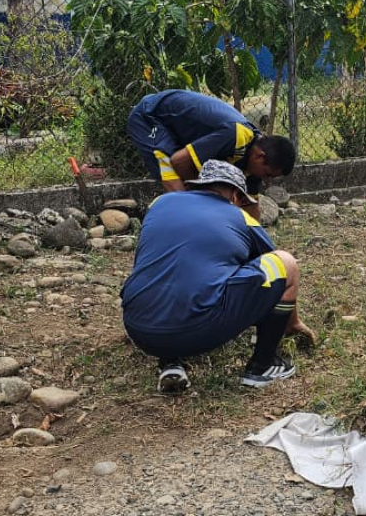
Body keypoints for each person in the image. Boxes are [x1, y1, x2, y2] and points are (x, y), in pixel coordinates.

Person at [120, 160, 311, 392]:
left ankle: (170, 361)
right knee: (286, 263)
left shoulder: (160, 204)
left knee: (168, 271)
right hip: (198, 330)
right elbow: (277, 272)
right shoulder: (241, 217)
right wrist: (292, 322)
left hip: (139, 328)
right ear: (235, 195)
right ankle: (263, 366)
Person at [127, 89, 296, 197]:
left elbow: (249, 208)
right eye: (268, 175)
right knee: (180, 186)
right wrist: (204, 194)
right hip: (150, 116)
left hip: (179, 133)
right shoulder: (235, 136)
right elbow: (179, 160)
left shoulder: (254, 163)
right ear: (259, 156)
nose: (266, 181)